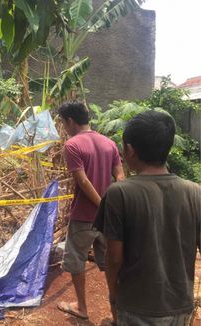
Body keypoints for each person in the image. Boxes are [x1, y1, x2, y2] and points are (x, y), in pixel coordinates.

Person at [94, 110, 201, 326]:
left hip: (135, 306)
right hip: (179, 304)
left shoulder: (118, 193)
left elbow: (114, 258)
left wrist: (113, 295)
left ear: (130, 150)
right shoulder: (195, 192)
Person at [57, 101, 125, 320]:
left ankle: (82, 308)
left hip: (85, 217)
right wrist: (112, 208)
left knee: (76, 260)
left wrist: (101, 207)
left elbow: (84, 182)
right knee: (112, 263)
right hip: (110, 220)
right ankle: (116, 313)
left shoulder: (72, 145)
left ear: (69, 121)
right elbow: (121, 178)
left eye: (63, 123)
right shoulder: (109, 143)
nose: (65, 128)